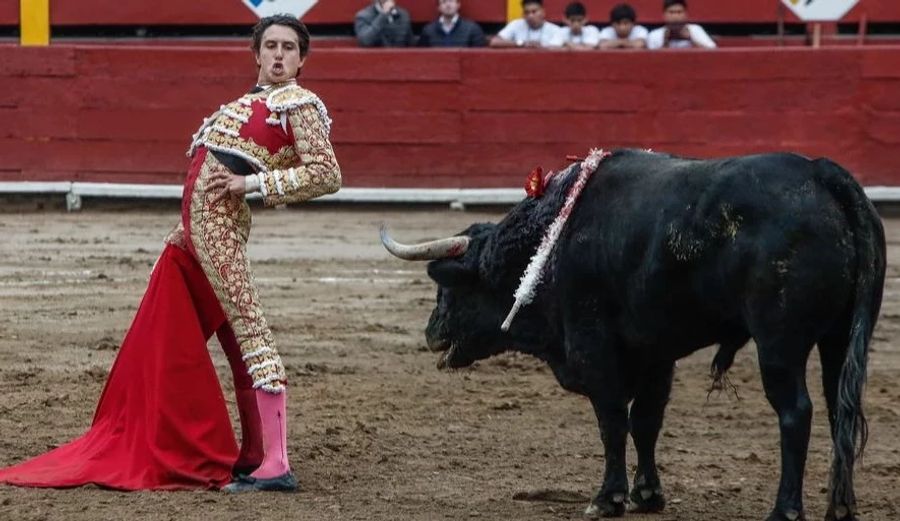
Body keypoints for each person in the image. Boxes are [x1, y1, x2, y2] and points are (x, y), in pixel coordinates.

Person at [0, 15, 341, 493]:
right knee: (236, 339)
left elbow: (327, 173)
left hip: (221, 230)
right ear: (257, 54)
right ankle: (256, 454)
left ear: (302, 59)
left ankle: (275, 465)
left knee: (250, 331)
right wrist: (188, 227)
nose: (280, 55)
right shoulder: (248, 102)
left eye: (289, 47)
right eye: (271, 46)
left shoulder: (299, 104)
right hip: (198, 232)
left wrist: (255, 183)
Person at [490, 0, 561, 49]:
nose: (530, 16)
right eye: (527, 12)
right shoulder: (516, 24)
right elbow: (494, 42)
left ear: (543, 12)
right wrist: (521, 43)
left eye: (534, 12)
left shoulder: (555, 30)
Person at [647, 0, 716, 49]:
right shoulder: (655, 34)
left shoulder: (695, 30)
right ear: (664, 15)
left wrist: (691, 39)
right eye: (671, 12)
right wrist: (666, 41)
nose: (675, 16)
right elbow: (651, 60)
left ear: (686, 14)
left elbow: (713, 53)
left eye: (679, 12)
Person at [418, 0, 487, 47]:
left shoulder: (473, 30)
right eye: (444, 2)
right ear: (438, 7)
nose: (448, 5)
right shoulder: (428, 31)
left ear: (458, 4)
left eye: (451, 1)